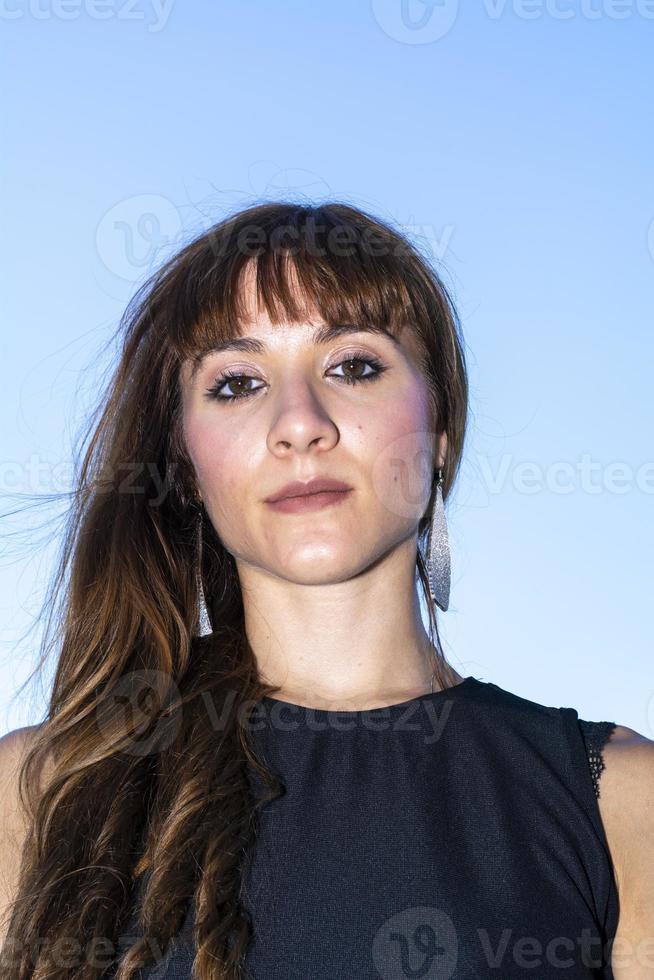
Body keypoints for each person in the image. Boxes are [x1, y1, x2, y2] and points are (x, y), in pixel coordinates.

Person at [0, 202, 651, 980]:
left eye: (354, 366)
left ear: (438, 427)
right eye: (237, 383)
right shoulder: (38, 794)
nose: (299, 424)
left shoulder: (622, 805)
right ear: (183, 459)